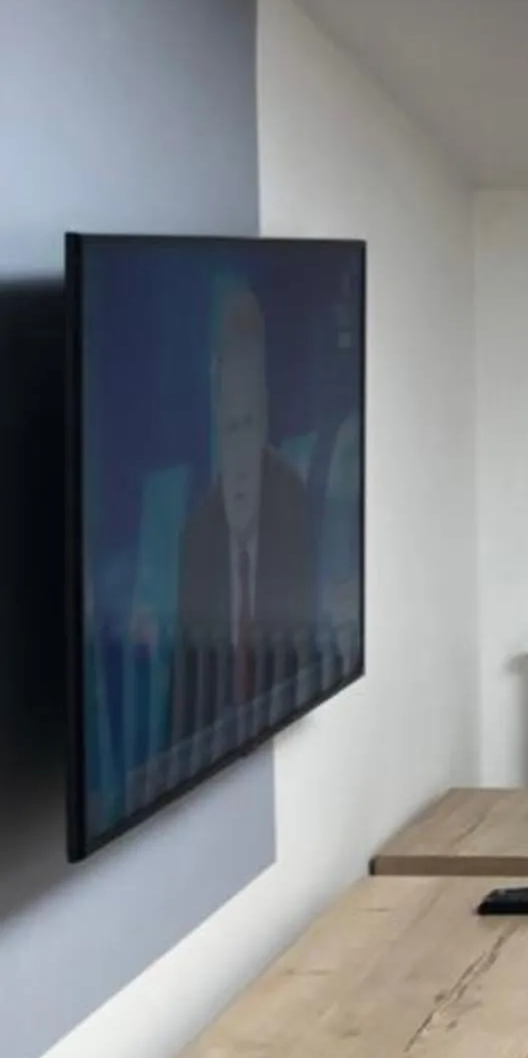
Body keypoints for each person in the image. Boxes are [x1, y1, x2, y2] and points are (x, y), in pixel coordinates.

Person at [169, 284, 316, 757]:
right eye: (229, 430)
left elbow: (309, 660)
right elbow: (184, 711)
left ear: (267, 425)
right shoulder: (197, 538)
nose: (238, 462)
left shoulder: (298, 507)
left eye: (248, 425)